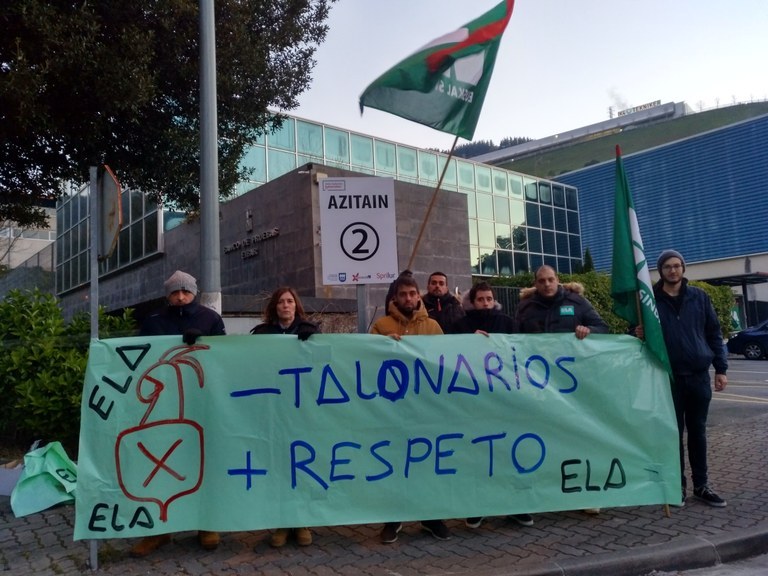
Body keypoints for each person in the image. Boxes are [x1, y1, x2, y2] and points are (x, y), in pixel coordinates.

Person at [130, 270, 226, 557]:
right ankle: (159, 530)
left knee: (202, 461)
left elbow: (225, 357)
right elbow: (140, 358)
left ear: (194, 292)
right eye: (175, 292)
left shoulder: (210, 319)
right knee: (160, 463)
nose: (181, 297)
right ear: (168, 295)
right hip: (161, 404)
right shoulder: (153, 321)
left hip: (201, 400)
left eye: (185, 291)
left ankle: (206, 524)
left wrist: (206, 342)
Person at [516, 265, 608, 515]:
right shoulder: (525, 308)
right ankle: (547, 491)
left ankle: (585, 493)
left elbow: (603, 327)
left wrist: (589, 330)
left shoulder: (577, 302)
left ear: (558, 280)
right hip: (539, 385)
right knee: (543, 437)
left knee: (577, 437)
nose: (547, 284)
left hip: (572, 386)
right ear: (535, 283)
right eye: (542, 280)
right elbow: (514, 339)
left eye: (551, 279)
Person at [448, 282, 533, 529]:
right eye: (481, 299)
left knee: (508, 453)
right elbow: (448, 356)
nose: (486, 303)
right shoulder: (460, 326)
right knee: (478, 455)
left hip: (503, 401)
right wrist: (468, 342)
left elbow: (519, 353)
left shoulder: (507, 323)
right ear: (472, 302)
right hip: (473, 403)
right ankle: (478, 507)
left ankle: (515, 506)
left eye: (489, 299)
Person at [369, 275, 448, 543]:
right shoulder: (381, 326)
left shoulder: (433, 326)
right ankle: (393, 518)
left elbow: (445, 360)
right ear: (395, 298)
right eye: (403, 294)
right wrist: (382, 346)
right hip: (393, 409)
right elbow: (366, 361)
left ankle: (430, 517)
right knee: (395, 462)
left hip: (426, 408)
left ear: (418, 295)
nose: (408, 298)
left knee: (426, 462)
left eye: (413, 293)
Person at [650, 250, 728, 507]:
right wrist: (636, 330)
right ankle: (677, 486)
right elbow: (638, 332)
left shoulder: (699, 297)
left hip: (698, 377)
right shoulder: (650, 300)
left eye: (677, 265)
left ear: (683, 268)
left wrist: (721, 368)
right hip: (668, 379)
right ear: (660, 271)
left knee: (697, 433)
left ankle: (701, 485)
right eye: (667, 267)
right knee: (672, 435)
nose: (673, 270)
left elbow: (714, 333)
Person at [250, 286, 318, 546]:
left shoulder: (311, 331)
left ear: (296, 305)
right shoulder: (261, 334)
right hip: (274, 408)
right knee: (279, 464)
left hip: (302, 409)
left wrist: (314, 341)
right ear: (274, 307)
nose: (286, 306)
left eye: (290, 301)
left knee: (301, 464)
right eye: (281, 302)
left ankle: (301, 521)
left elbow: (324, 363)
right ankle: (281, 522)